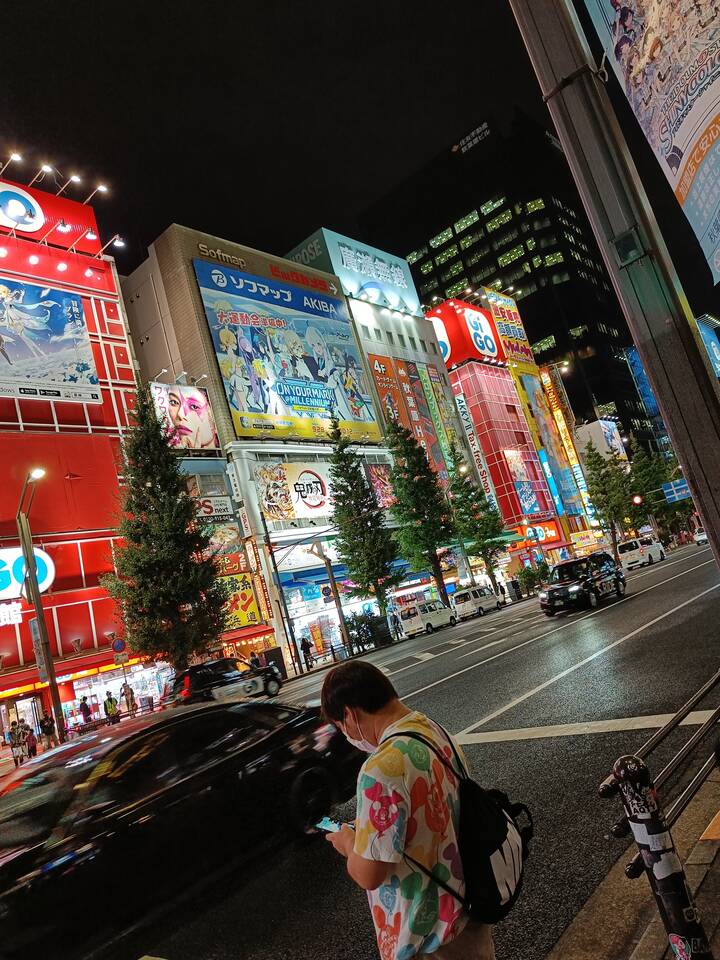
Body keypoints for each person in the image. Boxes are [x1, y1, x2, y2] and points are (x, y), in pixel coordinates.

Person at [321, 661, 495, 960]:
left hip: (428, 939)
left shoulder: (381, 768)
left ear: (349, 714)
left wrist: (349, 842)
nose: (348, 734)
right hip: (468, 918)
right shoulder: (432, 730)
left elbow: (369, 874)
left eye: (341, 726)